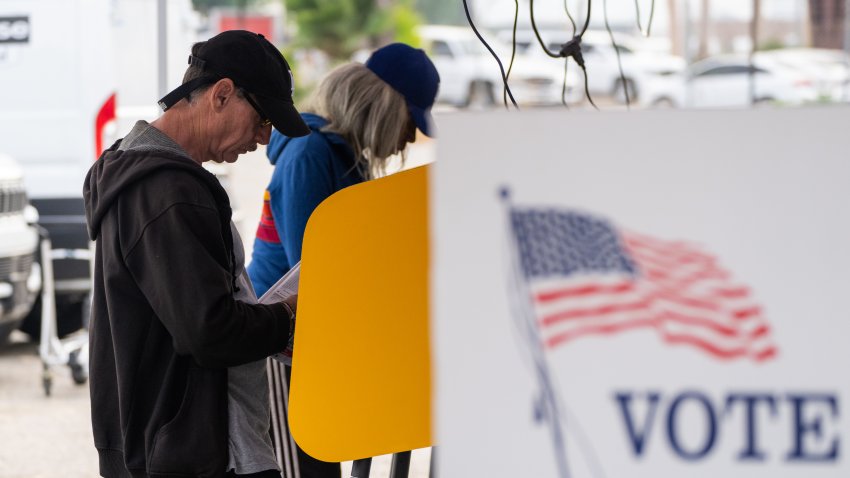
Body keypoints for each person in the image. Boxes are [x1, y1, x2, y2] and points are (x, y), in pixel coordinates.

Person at [83, 30, 310, 478]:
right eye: (263, 118)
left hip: (167, 448)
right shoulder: (169, 192)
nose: (264, 139)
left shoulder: (141, 175)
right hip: (198, 456)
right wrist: (289, 314)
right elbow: (211, 331)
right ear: (222, 94)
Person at [247, 43, 440, 478]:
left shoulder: (343, 157)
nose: (410, 138)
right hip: (282, 349)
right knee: (305, 470)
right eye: (409, 122)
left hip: (317, 346)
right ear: (383, 107)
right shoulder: (310, 154)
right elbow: (314, 273)